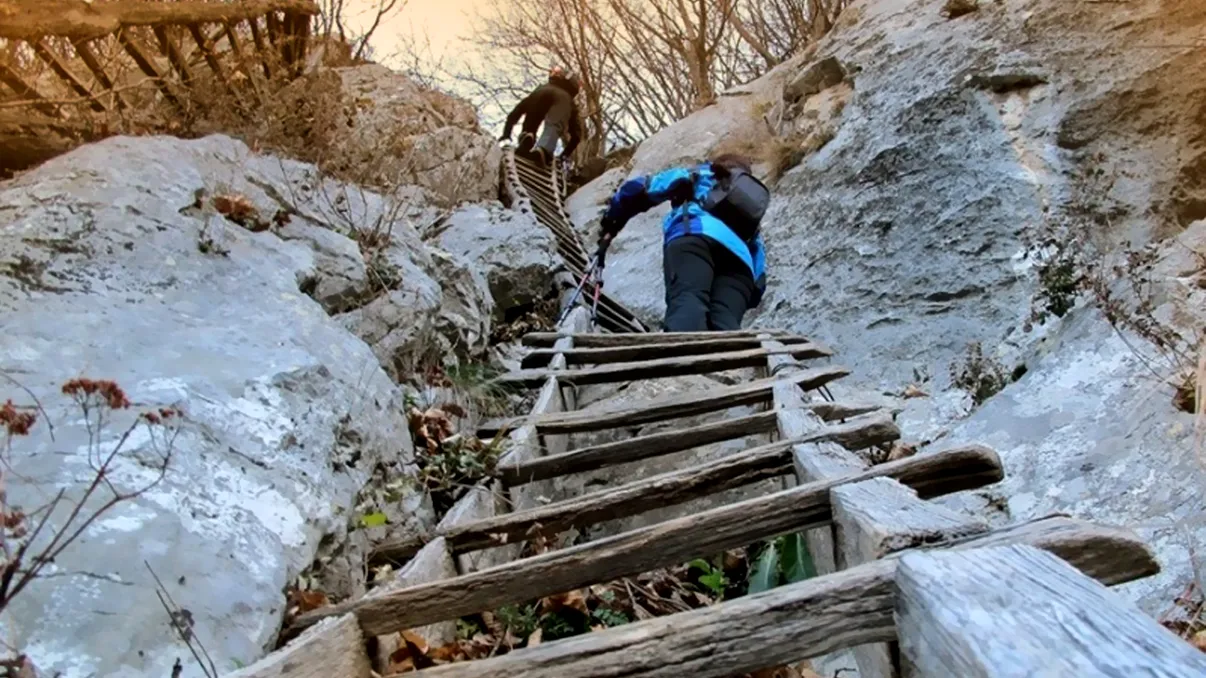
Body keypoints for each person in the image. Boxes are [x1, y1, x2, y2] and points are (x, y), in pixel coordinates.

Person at [597, 152, 769, 332]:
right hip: (741, 263)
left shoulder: (702, 174)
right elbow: (758, 274)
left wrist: (611, 220)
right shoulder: (749, 208)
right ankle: (733, 358)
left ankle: (682, 358)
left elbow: (644, 188)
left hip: (696, 236)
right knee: (725, 322)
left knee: (688, 301)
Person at [499, 66, 583, 167]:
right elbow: (577, 136)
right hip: (563, 100)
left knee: (532, 120)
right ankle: (544, 149)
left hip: (539, 94)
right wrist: (564, 155)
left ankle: (527, 135)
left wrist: (506, 133)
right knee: (554, 125)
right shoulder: (569, 101)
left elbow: (515, 112)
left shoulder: (540, 89)